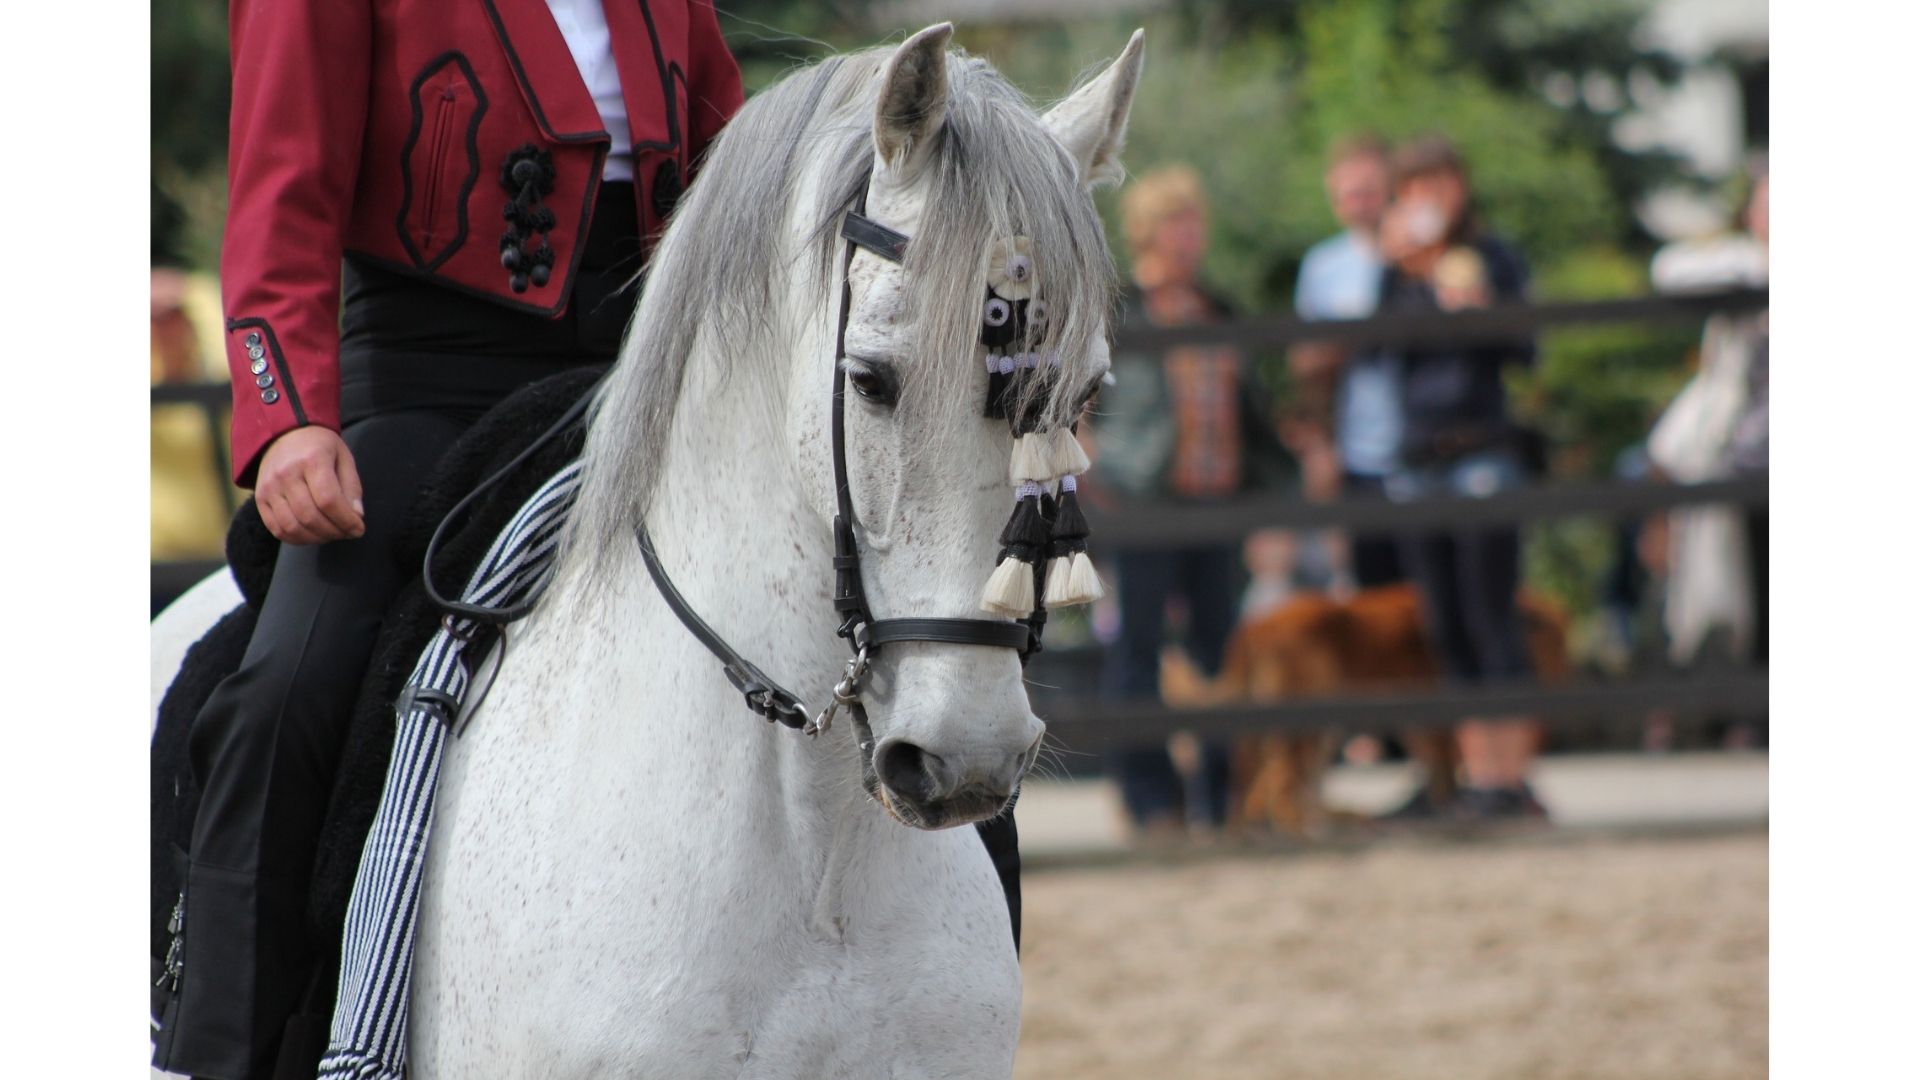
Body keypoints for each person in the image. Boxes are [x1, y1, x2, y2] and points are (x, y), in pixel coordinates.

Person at [153, 4, 745, 1077]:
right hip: (432, 381)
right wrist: (288, 417)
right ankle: (219, 1048)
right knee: (288, 691)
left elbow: (734, 172)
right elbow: (281, 197)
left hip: (647, 380)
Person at [1090, 165, 1289, 838]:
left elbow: (1251, 412)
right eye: (1177, 221)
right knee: (1137, 652)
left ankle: (1218, 799)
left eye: (1195, 221)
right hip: (1142, 501)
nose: (1189, 235)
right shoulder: (1116, 307)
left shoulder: (1218, 309)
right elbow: (1080, 403)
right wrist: (1099, 473)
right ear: (1147, 229)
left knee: (1220, 652)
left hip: (1217, 505)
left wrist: (1273, 491)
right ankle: (1151, 802)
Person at [1375, 136, 1545, 820]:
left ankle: (1509, 779)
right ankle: (1480, 777)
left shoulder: (1494, 256)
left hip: (1483, 454)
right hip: (1420, 462)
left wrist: (1472, 303)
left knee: (1492, 616)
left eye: (1441, 183)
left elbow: (1523, 348)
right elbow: (1382, 350)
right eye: (1416, 186)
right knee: (1447, 626)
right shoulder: (1397, 270)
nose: (1431, 198)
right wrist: (1412, 275)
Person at [1290, 133, 1405, 590]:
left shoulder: (1418, 253)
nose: (1359, 203)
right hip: (1359, 451)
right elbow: (1305, 366)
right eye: (1348, 194)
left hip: (1422, 452)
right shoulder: (1323, 266)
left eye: (1368, 190)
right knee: (1372, 591)